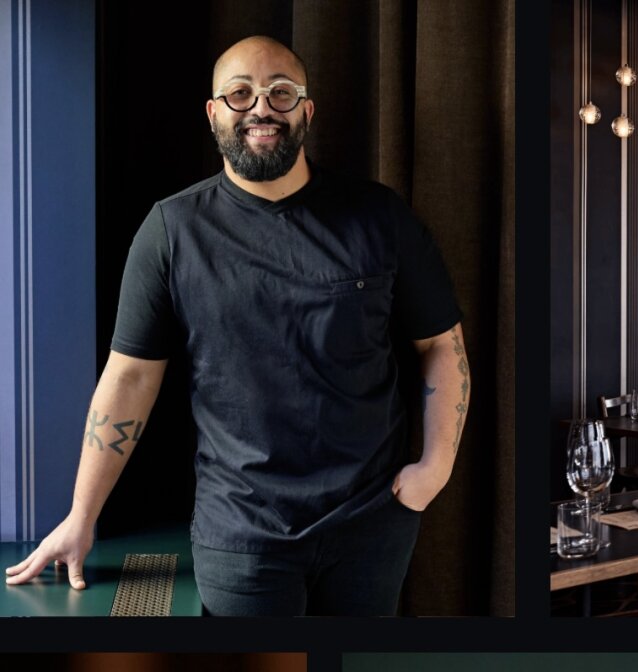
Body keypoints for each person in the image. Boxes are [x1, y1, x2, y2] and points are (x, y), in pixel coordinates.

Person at [4, 36, 468, 616]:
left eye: (280, 93)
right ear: (214, 112)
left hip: (371, 526)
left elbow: (441, 346)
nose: (261, 110)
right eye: (241, 94)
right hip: (242, 535)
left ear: (307, 109)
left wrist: (435, 468)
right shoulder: (172, 232)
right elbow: (128, 380)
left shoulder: (380, 216)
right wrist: (82, 515)